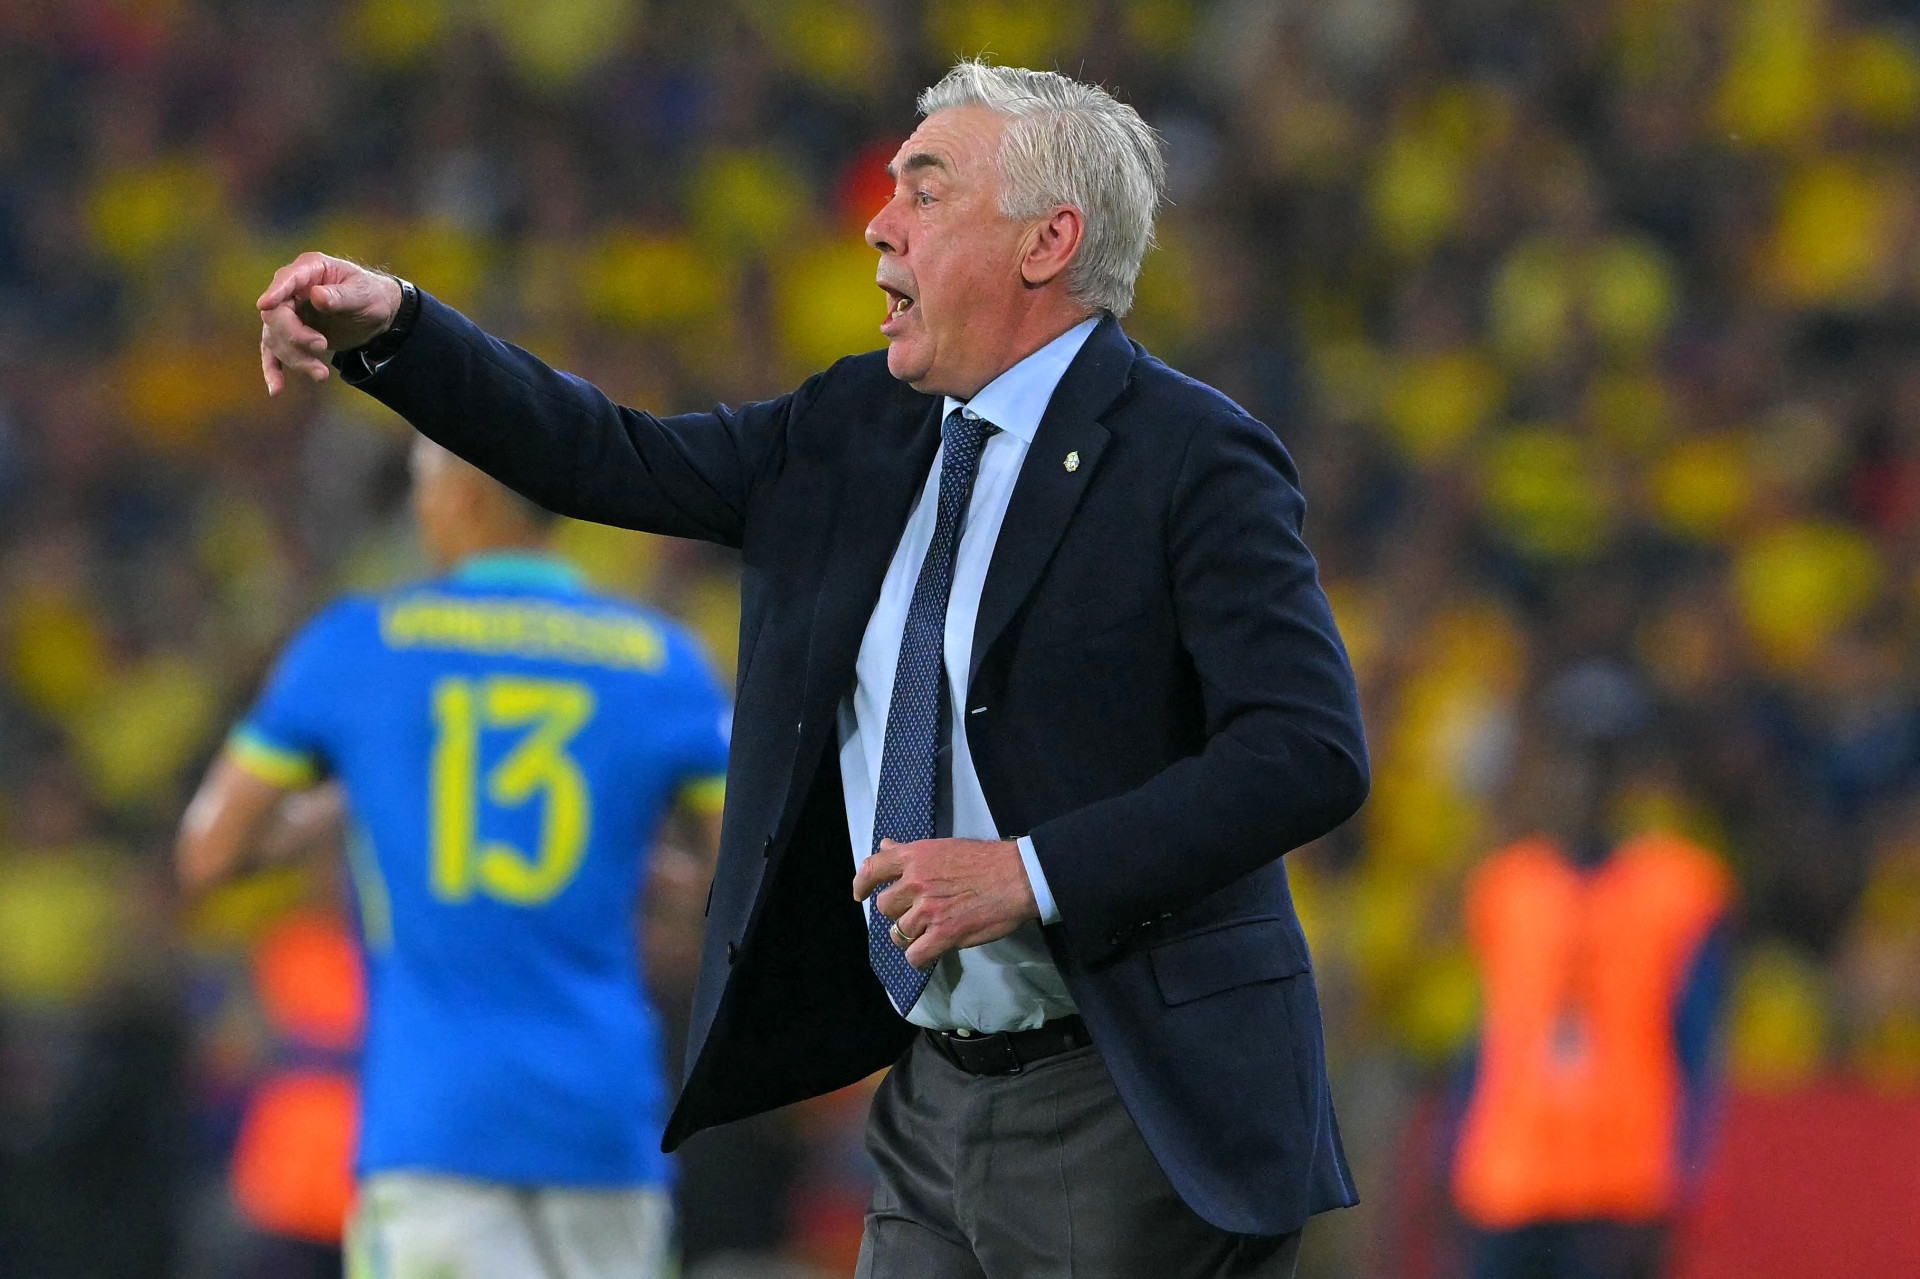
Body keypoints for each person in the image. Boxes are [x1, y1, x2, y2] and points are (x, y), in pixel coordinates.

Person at [253, 61, 1370, 1278]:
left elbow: (1305, 751)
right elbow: (606, 457)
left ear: (1048, 242)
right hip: (933, 1093)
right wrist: (400, 334)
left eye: (925, 194)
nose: (879, 225)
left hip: (1129, 1094)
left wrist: (1032, 873)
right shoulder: (858, 428)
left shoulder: (1190, 456)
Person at [176, 436, 731, 1279]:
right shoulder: (662, 661)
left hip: (434, 1126)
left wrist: (349, 796)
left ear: (463, 497)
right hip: (602, 1122)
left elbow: (210, 852)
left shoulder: (358, 648)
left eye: (421, 486)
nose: (419, 510)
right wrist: (639, 869)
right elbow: (749, 888)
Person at [1451, 663, 1733, 1279]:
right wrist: (1452, 1155)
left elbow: (1700, 1048)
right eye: (1569, 758)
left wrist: (1681, 1182)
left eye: (1600, 762)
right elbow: (1485, 1038)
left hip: (1621, 1192)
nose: (1583, 781)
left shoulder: (1679, 889)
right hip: (1507, 1182)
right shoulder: (1506, 886)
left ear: (1628, 776)